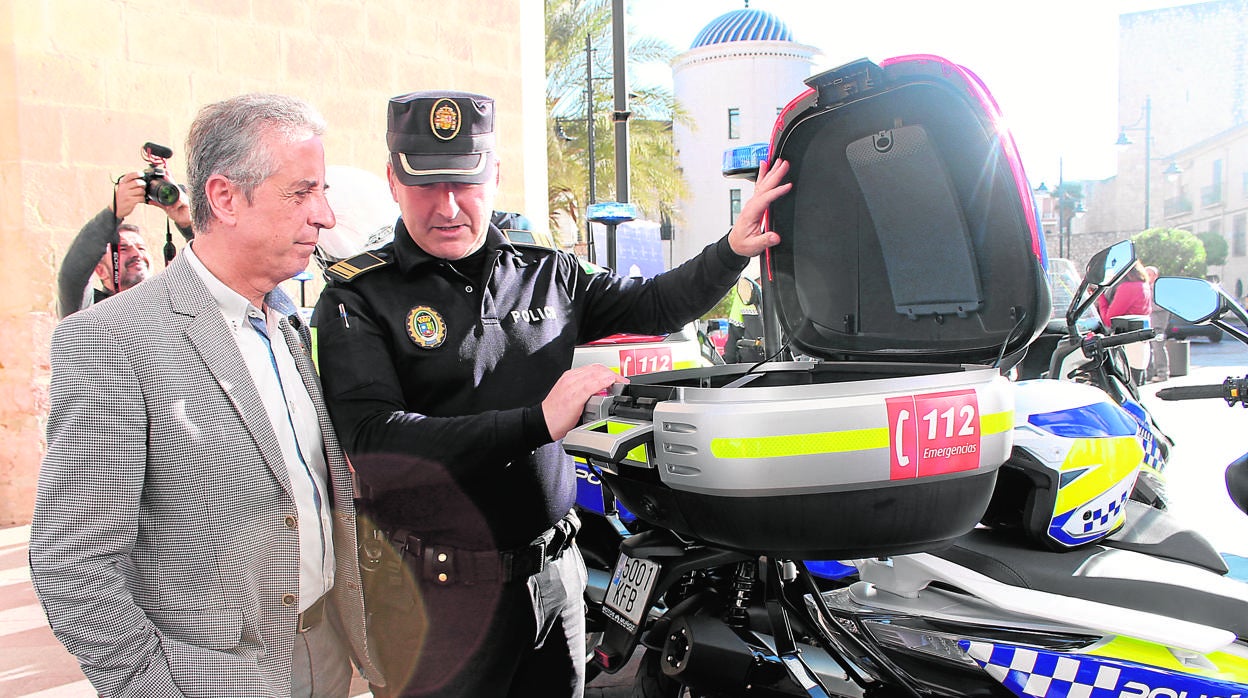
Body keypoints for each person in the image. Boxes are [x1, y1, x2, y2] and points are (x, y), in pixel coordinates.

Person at [314, 89, 791, 698]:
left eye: (465, 182)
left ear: (495, 175)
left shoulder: (547, 273)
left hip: (554, 581)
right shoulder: (358, 296)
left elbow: (654, 304)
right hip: (438, 604)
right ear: (393, 181)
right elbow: (375, 442)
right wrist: (537, 422)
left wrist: (732, 251)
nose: (448, 206)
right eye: (426, 185)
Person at [29, 93, 383, 697]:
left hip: (327, 651)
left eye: (321, 192)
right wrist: (152, 687)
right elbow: (75, 560)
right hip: (209, 679)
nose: (324, 216)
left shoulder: (288, 325)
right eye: (302, 193)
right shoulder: (113, 340)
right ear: (225, 197)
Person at [57, 169, 194, 317]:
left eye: (141, 248)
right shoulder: (89, 314)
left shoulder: (173, 306)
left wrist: (189, 225)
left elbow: (211, 269)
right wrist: (113, 213)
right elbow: (73, 275)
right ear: (101, 271)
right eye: (123, 249)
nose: (136, 254)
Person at [1096, 259, 1153, 384]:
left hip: (1127, 343)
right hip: (1141, 341)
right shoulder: (1143, 285)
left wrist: (1100, 297)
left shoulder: (1128, 288)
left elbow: (1109, 320)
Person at [1144, 265, 1171, 382]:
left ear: (1155, 276)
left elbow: (1162, 305)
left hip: (1158, 324)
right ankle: (1149, 374)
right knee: (1148, 350)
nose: (1147, 277)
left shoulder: (1160, 289)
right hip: (1148, 324)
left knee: (1158, 348)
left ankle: (1163, 373)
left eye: (1149, 274)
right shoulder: (1145, 287)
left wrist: (1146, 306)